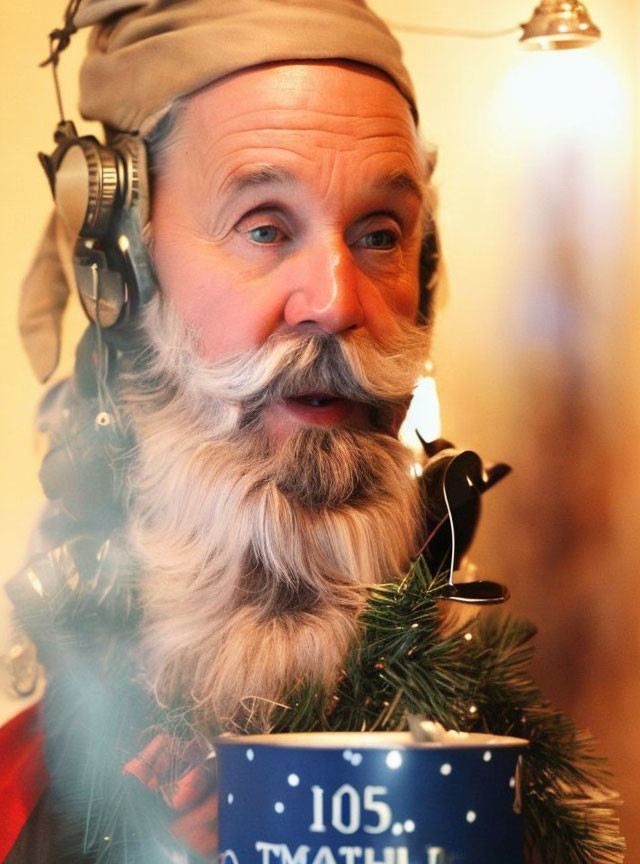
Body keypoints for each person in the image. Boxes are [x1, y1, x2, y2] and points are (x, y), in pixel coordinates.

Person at [2, 1, 443, 860]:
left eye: (380, 235)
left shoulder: (501, 774)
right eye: (266, 227)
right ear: (126, 267)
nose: (338, 302)